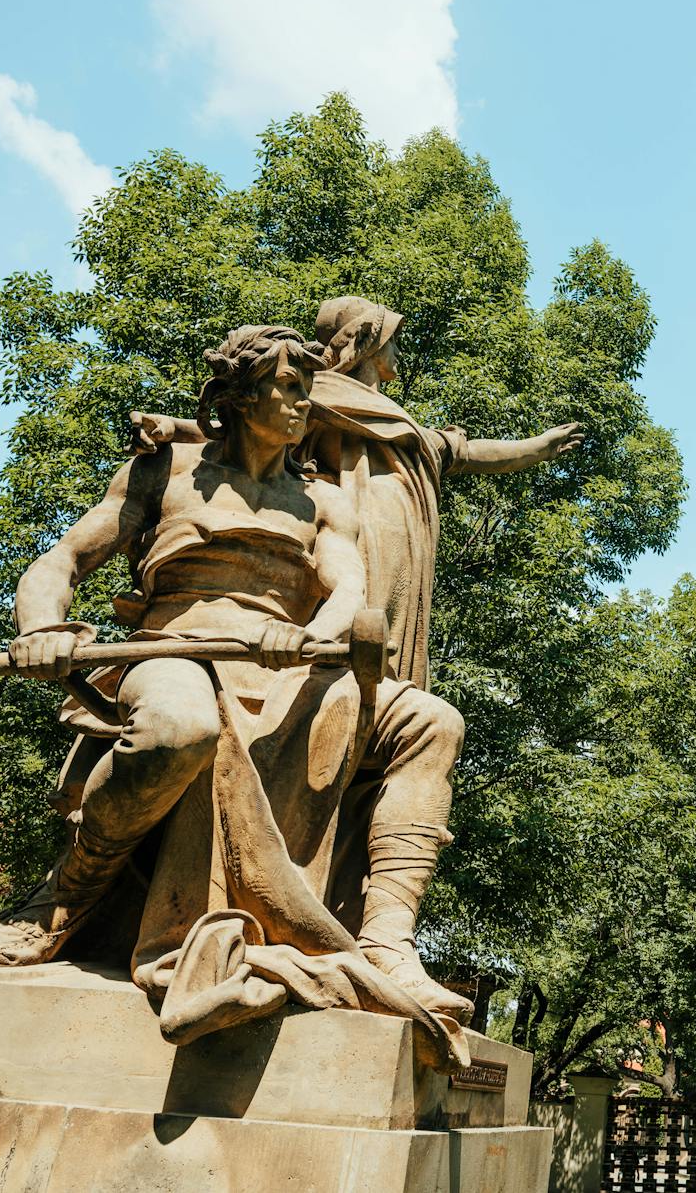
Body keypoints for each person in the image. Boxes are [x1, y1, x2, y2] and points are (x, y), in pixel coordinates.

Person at [0, 324, 468, 1059]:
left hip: (289, 667)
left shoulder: (323, 501)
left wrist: (309, 633)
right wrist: (41, 626)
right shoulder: (166, 470)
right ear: (241, 395)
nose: (309, 403)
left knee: (432, 721)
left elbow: (347, 591)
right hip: (177, 648)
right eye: (292, 388)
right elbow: (63, 560)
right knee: (178, 727)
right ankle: (67, 892)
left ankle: (389, 940)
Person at [130, 297, 582, 1020]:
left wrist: (536, 448)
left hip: (370, 608)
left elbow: (458, 451)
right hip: (297, 608)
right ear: (362, 345)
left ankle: (387, 939)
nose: (396, 367)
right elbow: (240, 437)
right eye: (390, 349)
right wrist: (171, 429)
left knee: (419, 724)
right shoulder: (318, 404)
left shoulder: (398, 429)